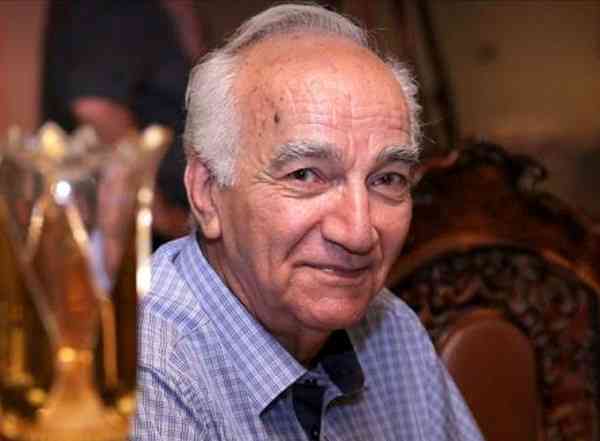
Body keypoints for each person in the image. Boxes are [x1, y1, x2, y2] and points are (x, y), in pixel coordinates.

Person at [134, 4, 483, 440]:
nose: (358, 233)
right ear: (207, 192)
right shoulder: (147, 369)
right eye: (305, 175)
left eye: (387, 179)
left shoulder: (391, 331)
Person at [41, 0, 202, 247]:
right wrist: (162, 217)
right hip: (134, 235)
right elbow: (96, 107)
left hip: (142, 227)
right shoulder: (116, 7)